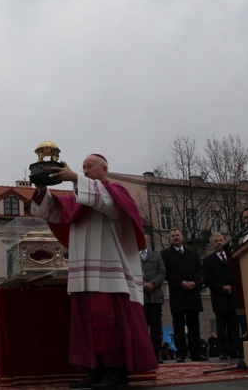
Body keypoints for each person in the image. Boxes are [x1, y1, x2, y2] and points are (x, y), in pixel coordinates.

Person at [33, 153, 156, 390]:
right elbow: (56, 211)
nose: (85, 170)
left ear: (104, 169)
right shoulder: (82, 196)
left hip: (111, 270)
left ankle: (117, 370)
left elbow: (110, 207)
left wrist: (75, 178)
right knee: (87, 323)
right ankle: (95, 369)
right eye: (83, 168)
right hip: (84, 270)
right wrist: (42, 188)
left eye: (89, 167)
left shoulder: (115, 191)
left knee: (111, 322)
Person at [161, 228, 206, 363]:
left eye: (178, 235)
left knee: (194, 324)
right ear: (169, 239)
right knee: (179, 324)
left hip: (193, 293)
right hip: (177, 293)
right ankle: (181, 352)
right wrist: (180, 283)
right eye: (173, 236)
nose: (175, 237)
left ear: (183, 237)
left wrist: (195, 283)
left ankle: (196, 352)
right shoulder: (165, 254)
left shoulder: (192, 252)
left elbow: (200, 269)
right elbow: (166, 273)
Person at [203, 233, 240, 360]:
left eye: (221, 240)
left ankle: (235, 350)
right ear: (212, 244)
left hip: (233, 296)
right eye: (216, 241)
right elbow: (208, 280)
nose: (219, 242)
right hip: (219, 297)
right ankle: (223, 351)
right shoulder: (208, 260)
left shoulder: (232, 257)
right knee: (221, 325)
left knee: (233, 325)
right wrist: (221, 288)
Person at [141, 244, 166, 364]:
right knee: (142, 327)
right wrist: (143, 284)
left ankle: (156, 354)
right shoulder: (132, 256)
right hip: (141, 298)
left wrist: (153, 284)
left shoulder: (156, 256)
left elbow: (162, 272)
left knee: (156, 328)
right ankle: (144, 354)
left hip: (155, 296)